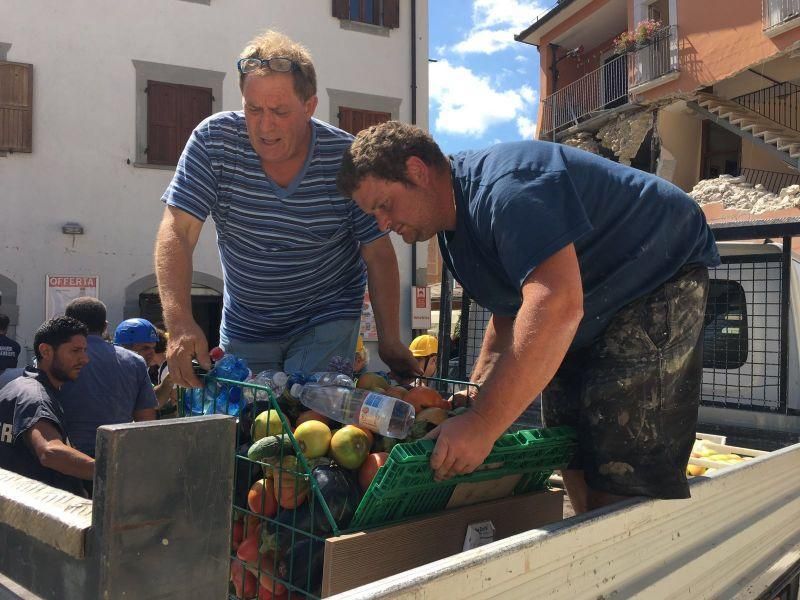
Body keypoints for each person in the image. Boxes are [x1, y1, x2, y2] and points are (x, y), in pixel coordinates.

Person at [337, 121, 721, 513]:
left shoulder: (506, 190)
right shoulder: (452, 230)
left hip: (655, 271)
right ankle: (594, 545)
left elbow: (555, 303)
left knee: (621, 463)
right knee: (568, 440)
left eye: (384, 205)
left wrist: (484, 422)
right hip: (591, 295)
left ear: (417, 171)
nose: (381, 223)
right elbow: (510, 314)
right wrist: (476, 396)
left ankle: (626, 560)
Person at [154, 29, 418, 390]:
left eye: (279, 111)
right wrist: (180, 322)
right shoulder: (213, 141)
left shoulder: (345, 159)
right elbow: (177, 231)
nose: (264, 126)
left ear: (309, 107)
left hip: (327, 316)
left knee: (309, 416)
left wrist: (389, 339)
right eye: (253, 109)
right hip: (247, 324)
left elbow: (378, 253)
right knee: (252, 428)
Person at [0, 316, 93, 495]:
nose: (85, 359)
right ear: (46, 351)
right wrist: (109, 472)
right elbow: (50, 451)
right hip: (39, 510)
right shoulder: (36, 397)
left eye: (84, 350)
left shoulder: (18, 385)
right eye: (75, 351)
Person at [59, 299, 157, 460]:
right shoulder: (135, 361)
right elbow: (146, 421)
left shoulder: (58, 358)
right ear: (105, 326)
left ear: (67, 324)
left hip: (67, 456)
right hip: (117, 454)